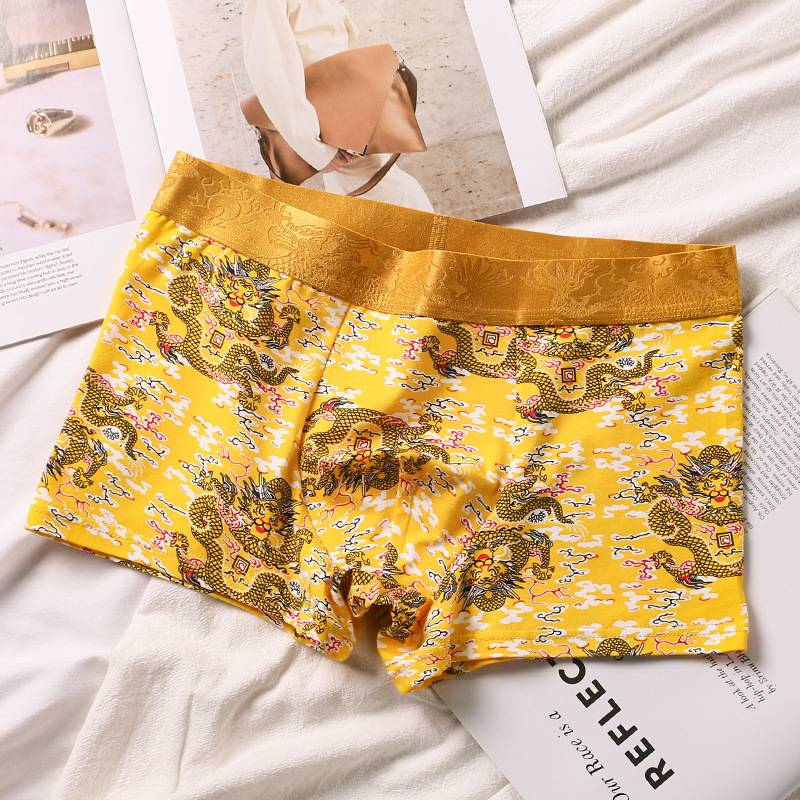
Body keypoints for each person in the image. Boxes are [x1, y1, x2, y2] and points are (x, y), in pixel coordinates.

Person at [241, 0, 433, 211]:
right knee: (392, 196)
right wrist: (315, 149)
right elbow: (270, 71)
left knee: (369, 200)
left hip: (345, 116)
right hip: (328, 125)